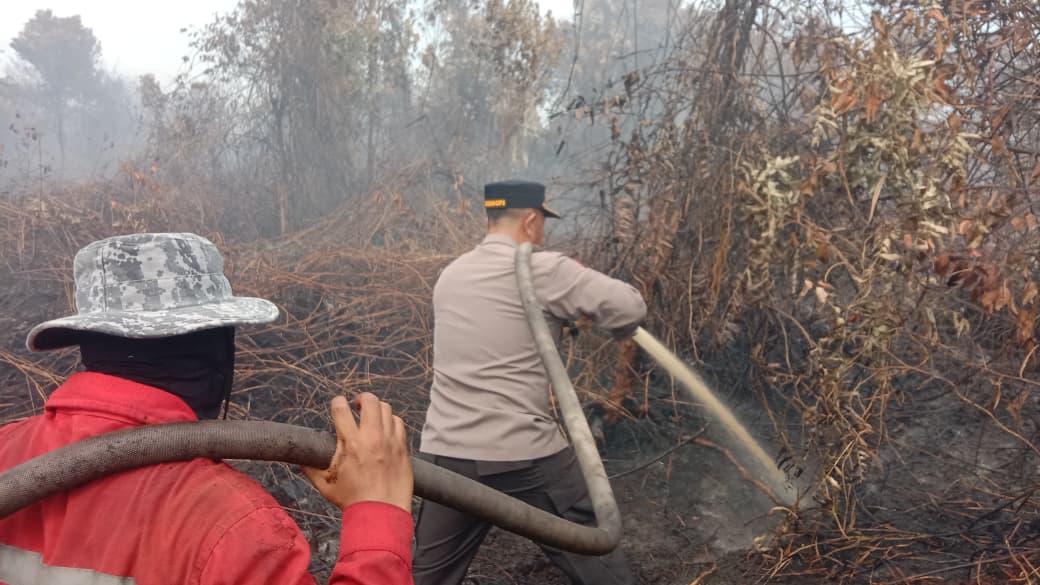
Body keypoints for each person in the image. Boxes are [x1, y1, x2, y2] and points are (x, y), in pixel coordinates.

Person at [0, 232, 414, 585]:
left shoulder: (5, 451)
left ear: (89, 343)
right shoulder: (233, 530)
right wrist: (378, 514)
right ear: (220, 355)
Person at [414, 180, 647, 584]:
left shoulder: (450, 275)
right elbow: (630, 307)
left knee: (422, 577)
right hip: (524, 455)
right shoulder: (542, 268)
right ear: (532, 221)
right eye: (543, 225)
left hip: (447, 456)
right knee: (597, 558)